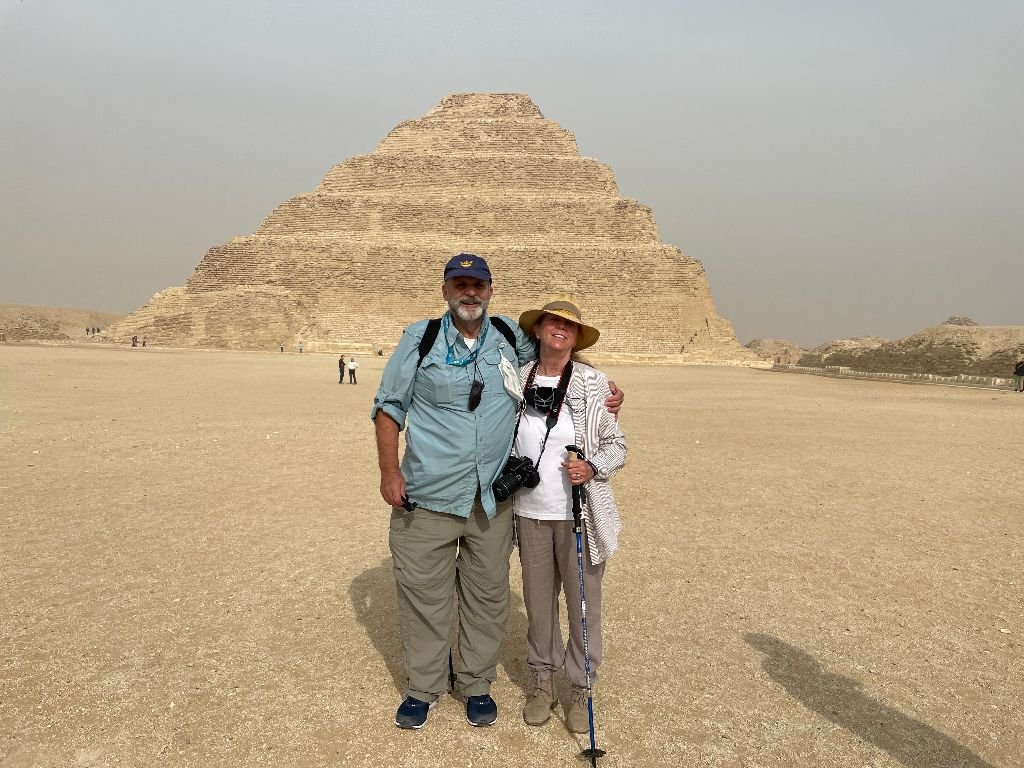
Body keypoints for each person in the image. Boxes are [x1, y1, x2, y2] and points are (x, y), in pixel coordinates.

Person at [371, 254, 624, 731]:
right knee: (425, 595)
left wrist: (606, 388)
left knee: (487, 597)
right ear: (446, 289)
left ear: (490, 290)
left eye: (478, 285)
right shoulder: (419, 339)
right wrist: (389, 473)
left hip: (491, 500)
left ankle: (474, 683)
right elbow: (388, 407)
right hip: (428, 494)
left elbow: (558, 357)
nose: (470, 292)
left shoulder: (509, 338)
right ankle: (423, 687)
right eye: (460, 283)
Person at [511, 295, 626, 733]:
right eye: (552, 322)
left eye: (569, 326)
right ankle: (542, 681)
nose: (560, 329)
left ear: (576, 338)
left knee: (582, 607)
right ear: (538, 330)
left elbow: (618, 445)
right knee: (539, 608)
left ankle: (580, 687)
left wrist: (592, 466)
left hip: (579, 516)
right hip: (530, 514)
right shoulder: (516, 379)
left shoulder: (594, 385)